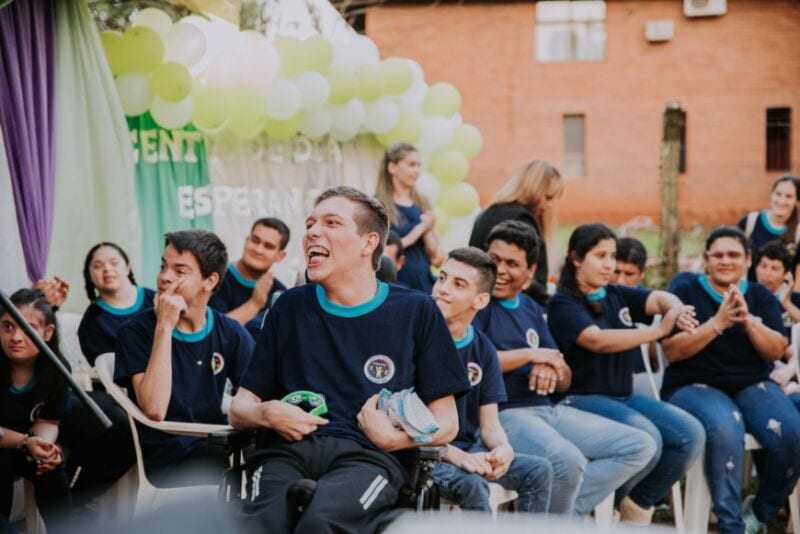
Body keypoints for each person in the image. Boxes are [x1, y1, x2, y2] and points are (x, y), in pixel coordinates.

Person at [229, 187, 469, 533]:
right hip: (285, 453)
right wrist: (266, 413)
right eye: (310, 224)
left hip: (369, 458)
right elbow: (239, 409)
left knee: (321, 523)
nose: (313, 232)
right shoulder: (289, 307)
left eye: (331, 223)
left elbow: (447, 422)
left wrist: (394, 440)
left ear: (368, 243)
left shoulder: (416, 311)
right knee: (263, 524)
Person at [475, 221, 657, 516]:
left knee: (639, 445)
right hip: (505, 413)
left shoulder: (531, 308)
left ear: (530, 271)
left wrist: (553, 367)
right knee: (567, 460)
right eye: (494, 259)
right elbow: (476, 360)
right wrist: (533, 356)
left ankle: (565, 515)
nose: (500, 270)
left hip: (548, 409)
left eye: (512, 263)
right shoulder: (477, 305)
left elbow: (564, 378)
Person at [547, 223, 705, 525]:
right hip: (580, 400)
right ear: (576, 258)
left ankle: (633, 506)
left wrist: (677, 308)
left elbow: (659, 298)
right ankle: (589, 511)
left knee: (690, 434)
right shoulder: (563, 303)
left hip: (622, 397)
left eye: (612, 256)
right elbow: (597, 340)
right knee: (649, 439)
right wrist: (657, 331)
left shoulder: (616, 293)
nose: (609, 264)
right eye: (600, 256)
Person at [661, 226, 800, 534]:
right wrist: (717, 323)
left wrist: (748, 321)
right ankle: (730, 526)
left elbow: (777, 348)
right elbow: (671, 351)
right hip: (693, 385)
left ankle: (759, 513)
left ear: (748, 259)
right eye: (718, 255)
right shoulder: (687, 293)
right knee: (726, 427)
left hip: (752, 384)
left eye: (734, 254)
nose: (726, 261)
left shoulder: (760, 296)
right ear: (707, 259)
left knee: (793, 434)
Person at [114, 230, 254, 487]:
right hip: (167, 454)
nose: (164, 277)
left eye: (179, 271)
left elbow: (259, 391)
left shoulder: (230, 332)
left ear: (209, 281)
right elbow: (154, 409)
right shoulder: (135, 332)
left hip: (215, 440)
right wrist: (164, 326)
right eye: (163, 267)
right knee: (224, 460)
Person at [431, 247, 553, 513]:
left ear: (480, 300)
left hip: (470, 449)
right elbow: (404, 423)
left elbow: (489, 424)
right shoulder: (417, 337)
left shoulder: (483, 347)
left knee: (539, 470)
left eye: (458, 284)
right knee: (473, 484)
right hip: (427, 454)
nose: (443, 289)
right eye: (442, 278)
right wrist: (455, 455)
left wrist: (503, 448)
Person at [0, 289, 72, 533]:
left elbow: (49, 421)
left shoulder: (56, 369)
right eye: (7, 327)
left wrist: (44, 447)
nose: (16, 337)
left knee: (51, 466)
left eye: (28, 328)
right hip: (6, 446)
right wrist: (25, 441)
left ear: (47, 333)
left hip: (22, 444)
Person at [469, 159, 563, 305]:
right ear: (533, 190)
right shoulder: (523, 219)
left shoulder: (489, 212)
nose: (549, 205)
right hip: (513, 305)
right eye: (548, 197)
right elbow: (529, 279)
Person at [375, 142, 443, 293]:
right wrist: (419, 230)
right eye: (411, 164)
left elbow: (438, 259)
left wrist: (428, 232)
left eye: (419, 165)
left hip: (423, 284)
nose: (417, 171)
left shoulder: (423, 203)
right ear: (392, 167)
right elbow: (382, 251)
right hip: (395, 285)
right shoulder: (379, 204)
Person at [78, 242, 155, 365]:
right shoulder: (91, 324)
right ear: (89, 276)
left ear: (127, 268)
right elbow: (108, 370)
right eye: (98, 266)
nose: (107, 269)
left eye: (114, 263)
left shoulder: (156, 300)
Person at [209, 217, 289, 325]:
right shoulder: (213, 278)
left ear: (280, 256)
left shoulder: (280, 293)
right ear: (247, 240)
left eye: (268, 246)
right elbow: (215, 330)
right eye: (255, 240)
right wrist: (255, 304)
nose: (258, 250)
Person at [753, 240, 800, 395]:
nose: (767, 273)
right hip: (769, 365)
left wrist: (786, 303)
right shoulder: (748, 298)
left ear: (786, 274)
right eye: (763, 266)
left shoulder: (794, 300)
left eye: (774, 268)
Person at [737, 174, 800, 283]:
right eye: (778, 194)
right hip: (749, 291)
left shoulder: (798, 232)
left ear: (797, 201)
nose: (782, 201)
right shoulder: (749, 222)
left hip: (782, 293)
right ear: (771, 195)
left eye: (788, 196)